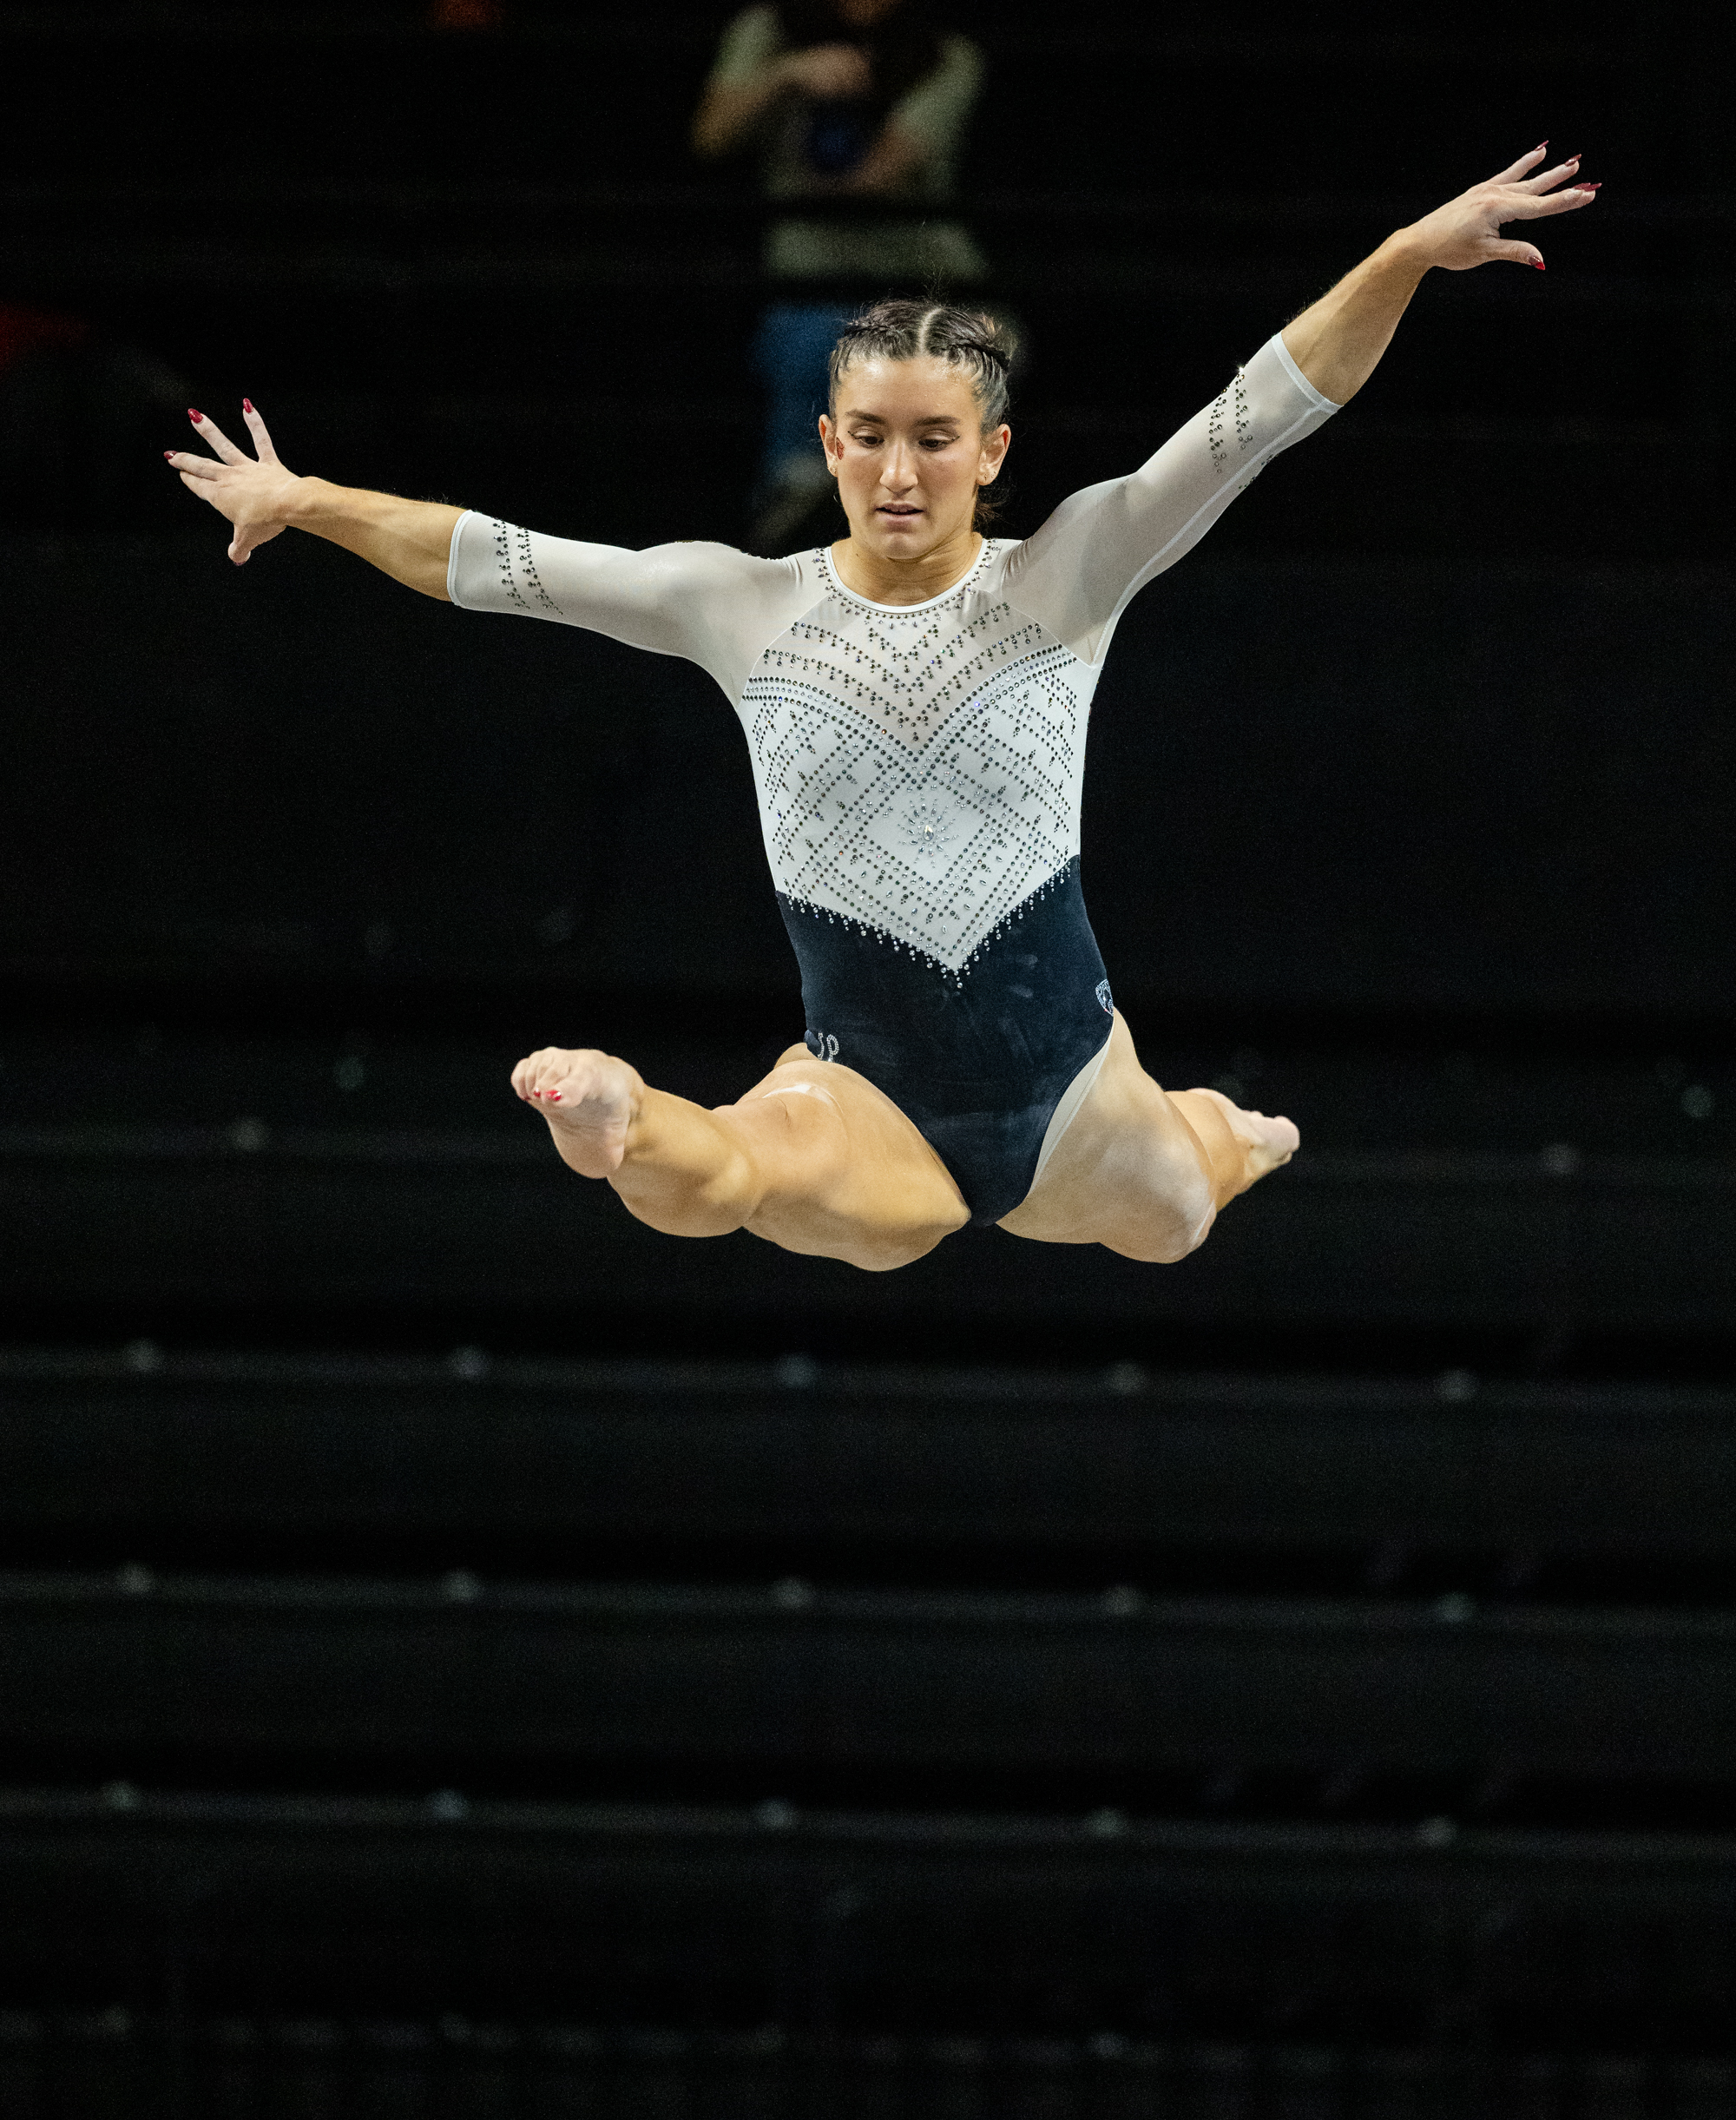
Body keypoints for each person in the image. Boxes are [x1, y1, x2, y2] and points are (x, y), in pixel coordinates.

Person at [165, 147, 1597, 1278]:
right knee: (730, 1178)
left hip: (1072, 1089)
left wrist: (1409, 252)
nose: (898, 471)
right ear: (827, 443)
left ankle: (1231, 1130)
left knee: (1176, 1215)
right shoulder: (734, 601)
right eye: (868, 436)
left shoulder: (1070, 571)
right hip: (873, 1086)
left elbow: (1260, 410)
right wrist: (304, 503)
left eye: (933, 439)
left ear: (993, 452)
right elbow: (492, 561)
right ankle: (610, 1114)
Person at [692, 0, 987, 549]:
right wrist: (786, 76)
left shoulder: (947, 55)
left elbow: (876, 177)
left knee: (975, 358)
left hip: (924, 278)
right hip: (804, 279)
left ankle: (940, 541)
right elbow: (710, 136)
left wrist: (859, 92)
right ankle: (795, 518)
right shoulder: (767, 31)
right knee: (817, 345)